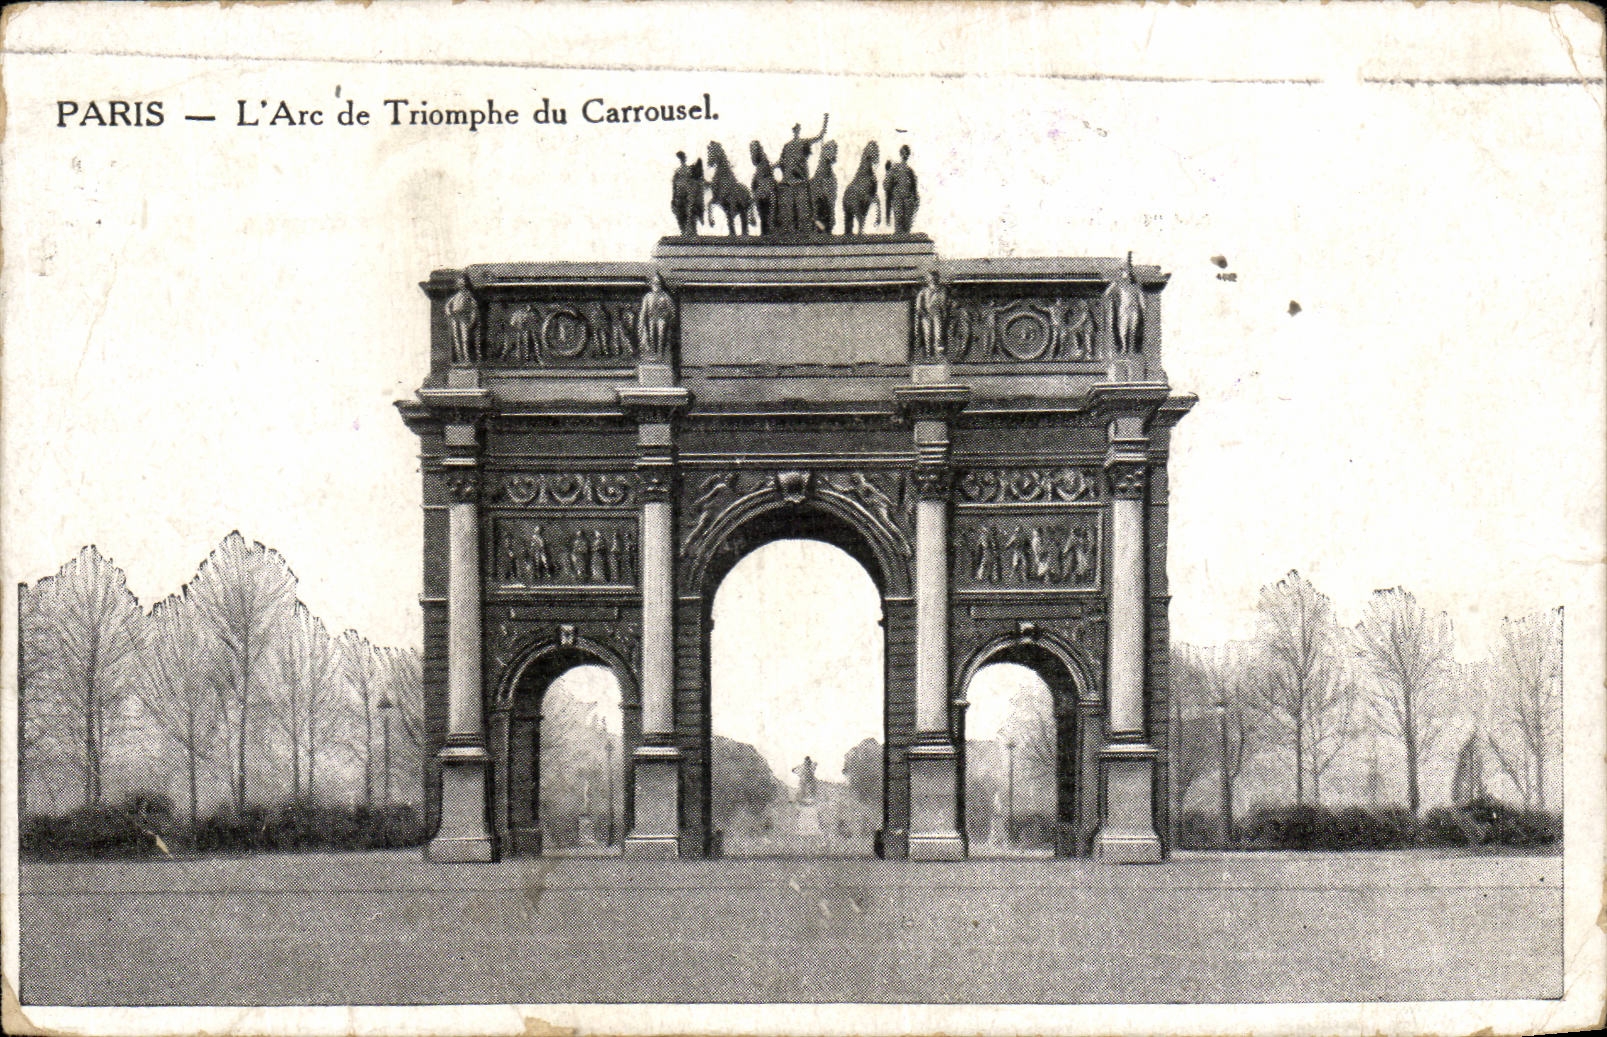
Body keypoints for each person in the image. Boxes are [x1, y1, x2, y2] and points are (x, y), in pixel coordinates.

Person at [776, 115, 828, 231]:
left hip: (801, 181)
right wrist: (774, 166)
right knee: (787, 212)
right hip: (788, 182)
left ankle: (809, 226)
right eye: (795, 129)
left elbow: (819, 137)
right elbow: (782, 160)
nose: (796, 131)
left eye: (797, 129)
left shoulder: (804, 142)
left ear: (799, 130)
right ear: (793, 131)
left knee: (804, 210)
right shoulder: (787, 146)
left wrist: (824, 125)